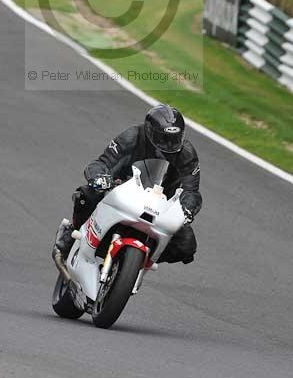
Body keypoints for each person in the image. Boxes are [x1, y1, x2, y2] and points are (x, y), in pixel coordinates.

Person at [53, 104, 202, 266]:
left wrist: (187, 209)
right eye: (164, 138)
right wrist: (100, 178)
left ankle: (139, 261)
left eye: (175, 139)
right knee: (87, 195)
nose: (170, 144)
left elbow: (192, 191)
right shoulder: (132, 137)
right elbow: (101, 163)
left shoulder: (187, 154)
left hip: (160, 206)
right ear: (149, 131)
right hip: (121, 191)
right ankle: (72, 233)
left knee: (186, 245)